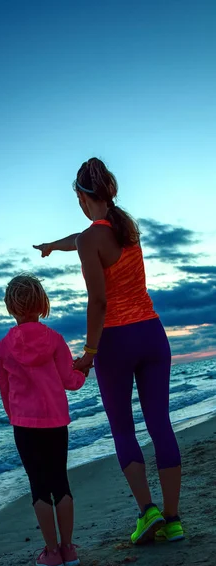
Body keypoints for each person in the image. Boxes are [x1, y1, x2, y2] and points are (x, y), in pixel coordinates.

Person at [33, 157, 184, 545]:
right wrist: (54, 245)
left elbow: (97, 301)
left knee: (122, 428)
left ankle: (146, 512)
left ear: (83, 198)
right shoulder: (125, 226)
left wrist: (89, 352)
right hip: (152, 334)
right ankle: (173, 519)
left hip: (116, 341)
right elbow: (82, 239)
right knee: (160, 423)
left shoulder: (91, 239)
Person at [0, 274, 86, 566]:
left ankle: (51, 552)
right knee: (60, 481)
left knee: (39, 486)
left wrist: (15, 418)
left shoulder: (5, 346)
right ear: (42, 304)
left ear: (11, 307)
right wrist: (83, 370)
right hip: (55, 420)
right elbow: (69, 381)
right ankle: (69, 549)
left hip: (25, 425)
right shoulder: (55, 340)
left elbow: (6, 392)